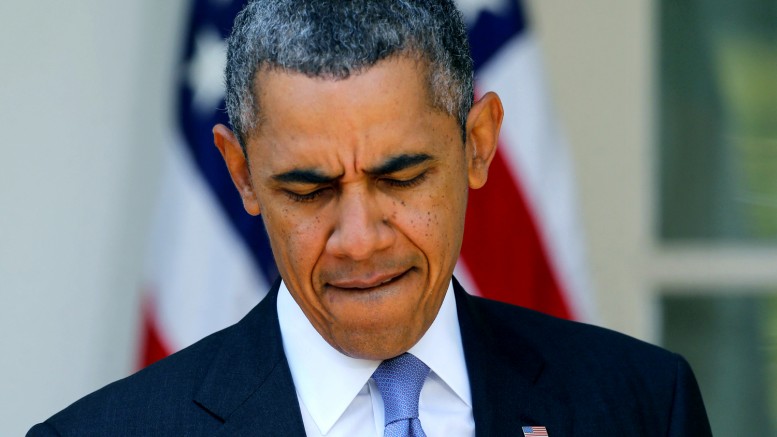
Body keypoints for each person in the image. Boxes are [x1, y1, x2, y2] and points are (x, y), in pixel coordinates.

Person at [28, 0, 712, 435]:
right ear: (241, 173)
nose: (359, 240)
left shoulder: (641, 406)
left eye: (401, 176)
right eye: (307, 189)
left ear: (477, 145)